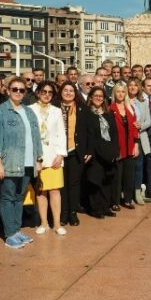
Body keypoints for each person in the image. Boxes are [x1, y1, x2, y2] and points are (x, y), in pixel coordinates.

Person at [0, 77, 43, 249]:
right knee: (7, 197)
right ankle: (10, 233)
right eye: (15, 89)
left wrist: (39, 159)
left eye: (21, 90)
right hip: (10, 162)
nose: (18, 92)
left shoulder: (29, 112)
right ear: (8, 90)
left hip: (28, 163)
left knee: (19, 198)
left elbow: (36, 137)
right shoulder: (1, 112)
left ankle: (16, 230)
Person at [29, 82, 67, 236]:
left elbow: (61, 133)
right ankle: (43, 223)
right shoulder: (30, 110)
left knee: (55, 191)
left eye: (50, 92)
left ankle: (57, 224)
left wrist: (60, 154)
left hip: (54, 156)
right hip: (37, 156)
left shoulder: (57, 111)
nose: (46, 94)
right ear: (37, 93)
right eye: (43, 91)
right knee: (40, 191)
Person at [57, 82, 88, 226]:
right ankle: (63, 214)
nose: (68, 93)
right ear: (61, 92)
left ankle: (73, 213)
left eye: (71, 90)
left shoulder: (82, 108)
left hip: (75, 151)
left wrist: (88, 150)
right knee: (61, 184)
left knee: (74, 184)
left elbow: (89, 131)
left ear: (75, 93)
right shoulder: (54, 108)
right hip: (58, 152)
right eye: (65, 90)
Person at [84, 87, 118, 218]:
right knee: (95, 181)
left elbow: (114, 133)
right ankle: (95, 208)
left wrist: (115, 151)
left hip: (108, 152)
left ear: (104, 99)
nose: (98, 98)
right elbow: (87, 134)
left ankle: (105, 207)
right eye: (95, 95)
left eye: (101, 96)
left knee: (107, 181)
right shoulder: (87, 113)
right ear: (91, 97)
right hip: (94, 152)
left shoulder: (109, 114)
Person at [109, 83, 140, 210]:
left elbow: (135, 128)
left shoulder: (130, 108)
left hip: (130, 146)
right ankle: (115, 202)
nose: (120, 94)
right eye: (118, 91)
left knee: (129, 175)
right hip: (117, 148)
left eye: (123, 91)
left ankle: (128, 199)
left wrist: (136, 145)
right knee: (117, 176)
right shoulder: (110, 109)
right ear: (114, 93)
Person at [126, 78, 151, 205]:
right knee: (127, 167)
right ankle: (126, 193)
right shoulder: (122, 101)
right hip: (126, 138)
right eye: (130, 85)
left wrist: (140, 125)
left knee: (138, 166)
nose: (133, 87)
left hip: (140, 137)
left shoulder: (143, 102)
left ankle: (137, 192)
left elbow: (148, 121)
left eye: (135, 85)